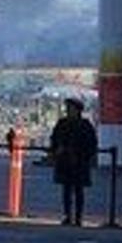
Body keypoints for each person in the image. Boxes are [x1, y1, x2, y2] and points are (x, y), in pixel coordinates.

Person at [49, 97, 100, 227]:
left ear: (78, 110)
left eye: (70, 108)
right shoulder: (62, 123)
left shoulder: (85, 125)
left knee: (78, 191)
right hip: (65, 162)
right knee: (66, 191)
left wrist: (84, 156)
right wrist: (57, 150)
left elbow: (91, 143)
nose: (68, 110)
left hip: (79, 162)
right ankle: (67, 216)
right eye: (67, 108)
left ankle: (78, 218)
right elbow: (54, 139)